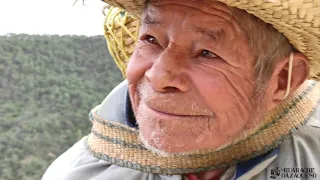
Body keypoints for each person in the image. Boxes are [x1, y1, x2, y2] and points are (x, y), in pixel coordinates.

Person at [43, 0, 320, 179]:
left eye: (207, 53)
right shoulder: (79, 173)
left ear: (283, 80)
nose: (159, 77)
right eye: (151, 39)